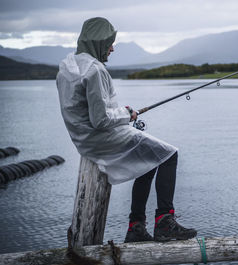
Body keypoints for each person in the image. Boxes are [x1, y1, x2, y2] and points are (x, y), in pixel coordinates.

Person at [56, 17, 197, 242]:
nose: (112, 48)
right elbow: (100, 120)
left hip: (82, 139)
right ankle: (164, 221)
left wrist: (121, 114)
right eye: (109, 42)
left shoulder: (67, 66)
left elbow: (87, 113)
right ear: (98, 41)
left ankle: (136, 228)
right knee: (169, 154)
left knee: (149, 160)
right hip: (100, 137)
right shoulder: (94, 71)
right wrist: (127, 112)